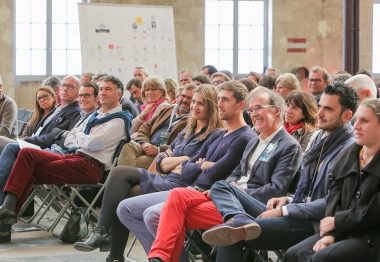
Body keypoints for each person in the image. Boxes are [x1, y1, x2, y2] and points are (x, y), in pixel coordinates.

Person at [202, 83, 358, 262]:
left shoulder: (348, 150)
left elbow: (332, 202)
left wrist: (286, 209)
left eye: (328, 109)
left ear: (346, 116)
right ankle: (237, 217)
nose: (319, 113)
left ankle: (238, 220)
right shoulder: (320, 138)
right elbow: (307, 191)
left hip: (313, 223)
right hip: (293, 210)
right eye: (320, 106)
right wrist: (289, 200)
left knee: (233, 234)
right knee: (221, 190)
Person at [146, 87, 303, 262]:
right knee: (177, 196)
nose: (253, 114)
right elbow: (234, 175)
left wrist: (235, 192)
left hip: (248, 208)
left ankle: (160, 257)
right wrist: (226, 189)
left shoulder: (288, 145)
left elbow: (275, 189)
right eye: (250, 110)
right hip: (226, 198)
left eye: (259, 108)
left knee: (171, 215)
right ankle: (158, 257)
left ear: (276, 110)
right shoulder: (254, 142)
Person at [73, 85, 227, 262]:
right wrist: (176, 159)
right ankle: (110, 246)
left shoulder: (214, 134)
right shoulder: (188, 129)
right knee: (119, 175)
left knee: (122, 186)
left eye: (201, 103)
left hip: (181, 186)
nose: (194, 106)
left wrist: (174, 160)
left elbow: (190, 167)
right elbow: (163, 159)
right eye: (193, 102)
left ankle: (111, 247)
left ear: (211, 107)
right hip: (164, 177)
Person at [115, 81, 256, 261]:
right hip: (190, 190)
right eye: (219, 99)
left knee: (152, 214)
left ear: (241, 105)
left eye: (225, 100)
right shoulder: (219, 134)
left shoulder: (243, 137)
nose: (219, 104)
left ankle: (165, 258)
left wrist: (195, 166)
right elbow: (190, 168)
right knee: (125, 207)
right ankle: (160, 256)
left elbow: (213, 174)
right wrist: (199, 165)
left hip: (205, 194)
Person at [0, 75, 132, 240]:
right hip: (74, 157)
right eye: (102, 88)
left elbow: (93, 144)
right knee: (26, 157)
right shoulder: (95, 116)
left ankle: (5, 219)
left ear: (119, 94)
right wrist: (80, 139)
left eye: (108, 89)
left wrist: (78, 138)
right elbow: (74, 138)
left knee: (25, 162)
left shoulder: (119, 120)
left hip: (90, 167)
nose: (103, 92)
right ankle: (7, 214)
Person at [284, 98, 380, 262]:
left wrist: (337, 224)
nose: (356, 126)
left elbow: (374, 212)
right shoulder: (350, 154)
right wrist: (330, 234)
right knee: (295, 253)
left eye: (364, 121)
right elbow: (335, 197)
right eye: (356, 120)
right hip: (342, 228)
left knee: (323, 257)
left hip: (371, 235)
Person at [117, 84, 195, 169]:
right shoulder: (167, 110)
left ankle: (122, 177)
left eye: (189, 98)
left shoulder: (194, 120)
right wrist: (144, 143)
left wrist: (158, 150)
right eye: (183, 96)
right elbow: (145, 127)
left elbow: (182, 145)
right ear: (178, 96)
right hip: (147, 144)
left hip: (163, 154)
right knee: (128, 145)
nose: (184, 100)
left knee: (135, 162)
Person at [0, 86, 56, 153]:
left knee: (1, 140)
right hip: (26, 144)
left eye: (45, 96)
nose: (42, 100)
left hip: (41, 147)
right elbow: (24, 135)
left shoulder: (57, 116)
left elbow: (5, 131)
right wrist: (23, 140)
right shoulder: (35, 116)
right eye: (39, 98)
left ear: (54, 98)